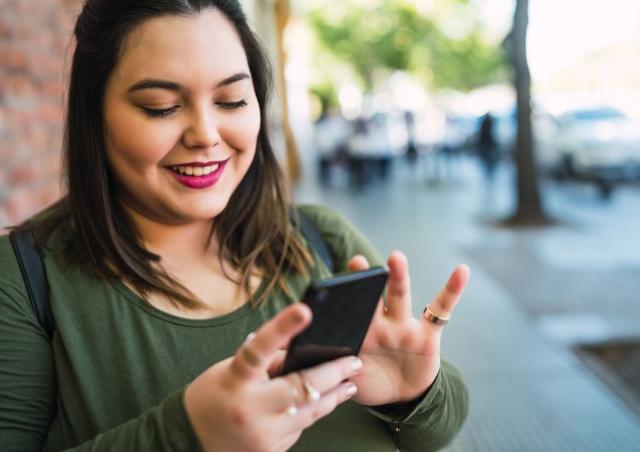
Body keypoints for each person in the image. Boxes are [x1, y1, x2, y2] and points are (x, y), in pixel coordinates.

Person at [0, 1, 470, 451]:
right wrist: (187, 435)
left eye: (231, 100)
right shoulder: (24, 280)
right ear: (94, 115)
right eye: (161, 107)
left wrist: (415, 393)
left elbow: (437, 430)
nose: (205, 134)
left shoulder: (321, 239)